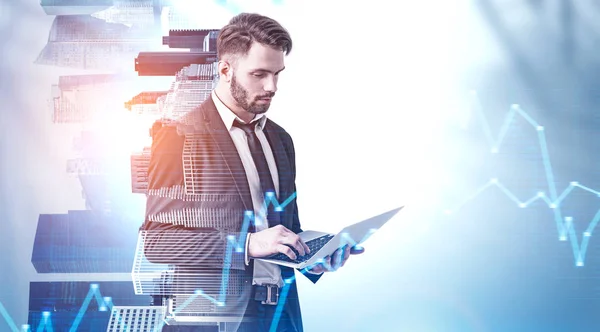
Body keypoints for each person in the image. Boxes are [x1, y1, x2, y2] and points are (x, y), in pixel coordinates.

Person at [141, 13, 364, 332]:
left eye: (277, 73)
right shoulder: (179, 138)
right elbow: (157, 242)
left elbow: (286, 230)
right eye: (259, 74)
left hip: (280, 314)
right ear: (224, 69)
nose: (272, 87)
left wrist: (314, 256)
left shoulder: (280, 139)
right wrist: (246, 244)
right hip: (217, 317)